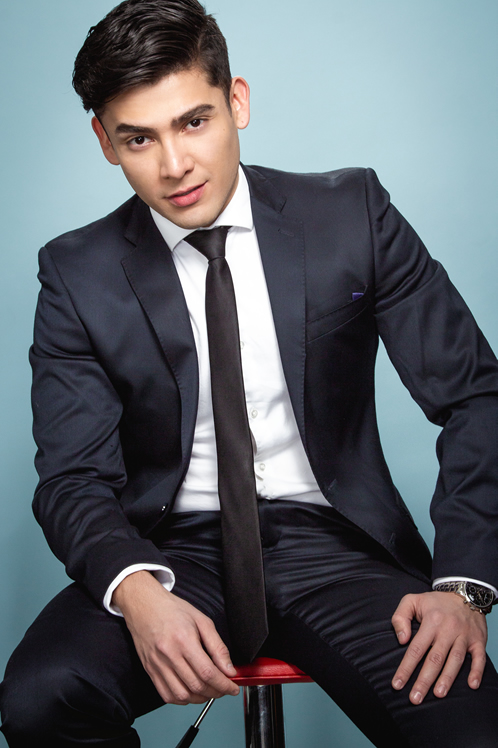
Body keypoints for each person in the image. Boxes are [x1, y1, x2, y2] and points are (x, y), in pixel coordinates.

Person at [1, 0, 498, 745]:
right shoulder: (77, 273)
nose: (174, 165)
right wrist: (136, 590)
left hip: (338, 549)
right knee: (42, 697)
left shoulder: (352, 213)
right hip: (172, 552)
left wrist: (463, 587)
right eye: (139, 138)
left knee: (474, 729)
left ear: (237, 101)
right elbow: (72, 478)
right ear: (105, 142)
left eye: (194, 122)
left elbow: (475, 396)